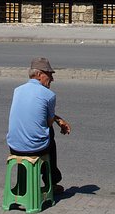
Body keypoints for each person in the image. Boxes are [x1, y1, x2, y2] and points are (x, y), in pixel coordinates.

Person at [6, 57, 71, 193]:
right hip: (35, 149)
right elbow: (48, 122)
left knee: (36, 130)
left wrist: (58, 119)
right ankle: (51, 181)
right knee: (49, 133)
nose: (52, 79)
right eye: (49, 75)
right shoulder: (49, 95)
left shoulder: (17, 90)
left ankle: (24, 183)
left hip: (14, 146)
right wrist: (58, 121)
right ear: (39, 74)